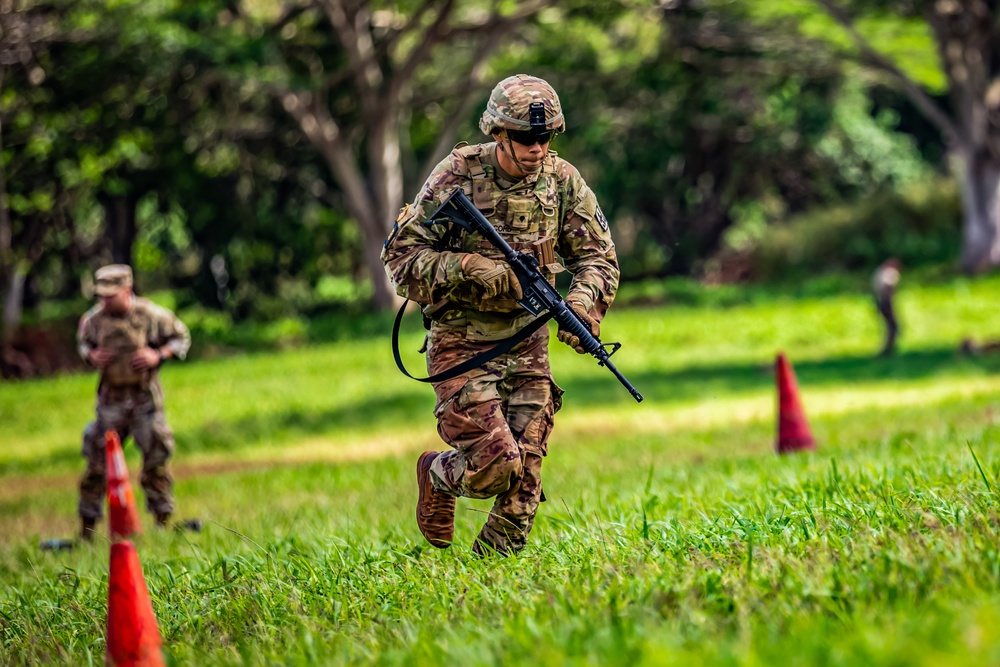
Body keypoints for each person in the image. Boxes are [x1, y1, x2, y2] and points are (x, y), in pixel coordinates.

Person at [381, 74, 620, 556]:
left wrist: (581, 303)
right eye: (526, 137)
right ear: (498, 133)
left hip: (527, 343)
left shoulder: (561, 180)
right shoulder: (457, 175)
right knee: (496, 467)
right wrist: (465, 267)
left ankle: (490, 578)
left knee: (525, 479)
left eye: (546, 137)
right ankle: (436, 472)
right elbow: (400, 259)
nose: (537, 147)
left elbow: (598, 257)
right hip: (462, 343)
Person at [76, 264, 191, 541]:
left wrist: (158, 355)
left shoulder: (151, 315)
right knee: (95, 465)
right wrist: (91, 355)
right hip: (110, 402)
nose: (104, 300)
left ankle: (162, 523)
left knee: (156, 461)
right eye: (101, 295)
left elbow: (181, 338)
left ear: (126, 290)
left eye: (110, 295)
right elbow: (82, 344)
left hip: (144, 401)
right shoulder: (92, 320)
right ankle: (87, 532)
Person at [872, 258, 901, 357]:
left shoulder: (879, 272)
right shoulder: (890, 273)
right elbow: (887, 288)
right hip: (886, 302)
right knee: (893, 326)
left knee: (890, 326)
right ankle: (888, 349)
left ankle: (888, 348)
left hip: (880, 301)